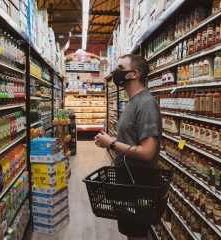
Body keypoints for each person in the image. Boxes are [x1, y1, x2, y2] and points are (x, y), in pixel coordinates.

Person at [94, 54, 162, 240]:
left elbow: (148, 152)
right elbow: (133, 141)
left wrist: (112, 144)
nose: (117, 72)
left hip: (139, 181)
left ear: (134, 74)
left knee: (137, 234)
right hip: (128, 179)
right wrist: (109, 140)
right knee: (132, 233)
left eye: (121, 68)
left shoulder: (146, 103)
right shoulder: (133, 102)